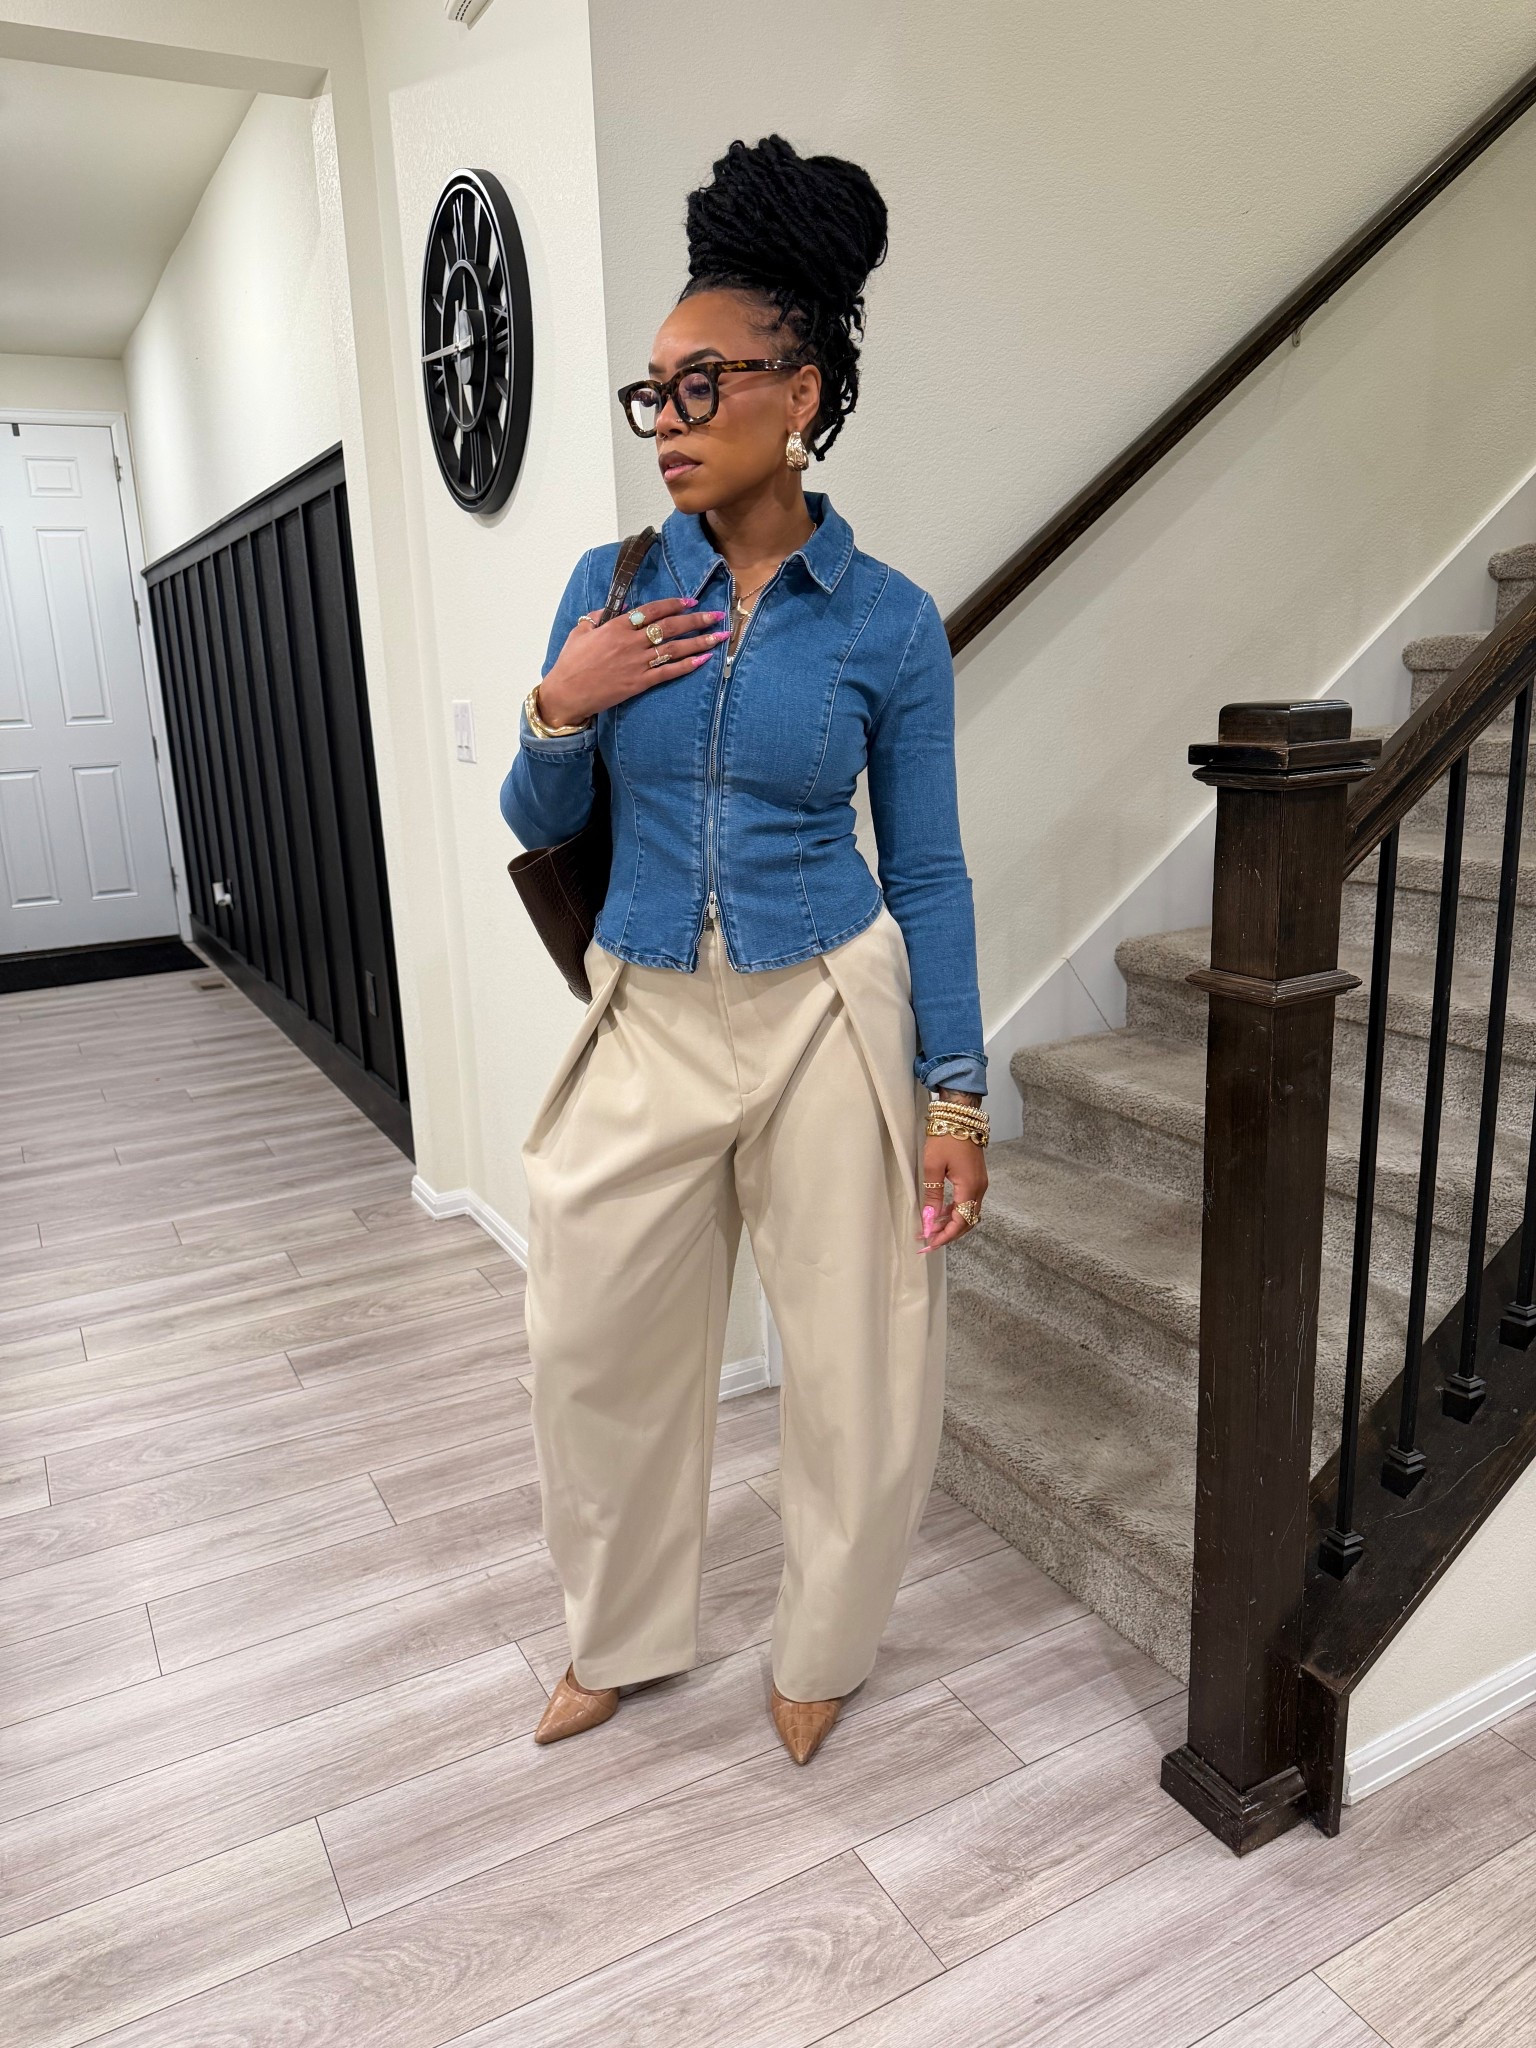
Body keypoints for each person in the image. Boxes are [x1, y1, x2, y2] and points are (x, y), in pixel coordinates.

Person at [500, 134, 989, 1766]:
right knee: (591, 1339)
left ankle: (823, 1647)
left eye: (704, 384)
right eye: (656, 391)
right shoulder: (611, 584)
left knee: (859, 1361)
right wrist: (561, 704)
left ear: (805, 393)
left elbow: (929, 867)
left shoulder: (886, 620)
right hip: (645, 1003)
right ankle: (619, 1635)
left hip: (827, 1009)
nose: (671, 419)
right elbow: (534, 809)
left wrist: (956, 1090)